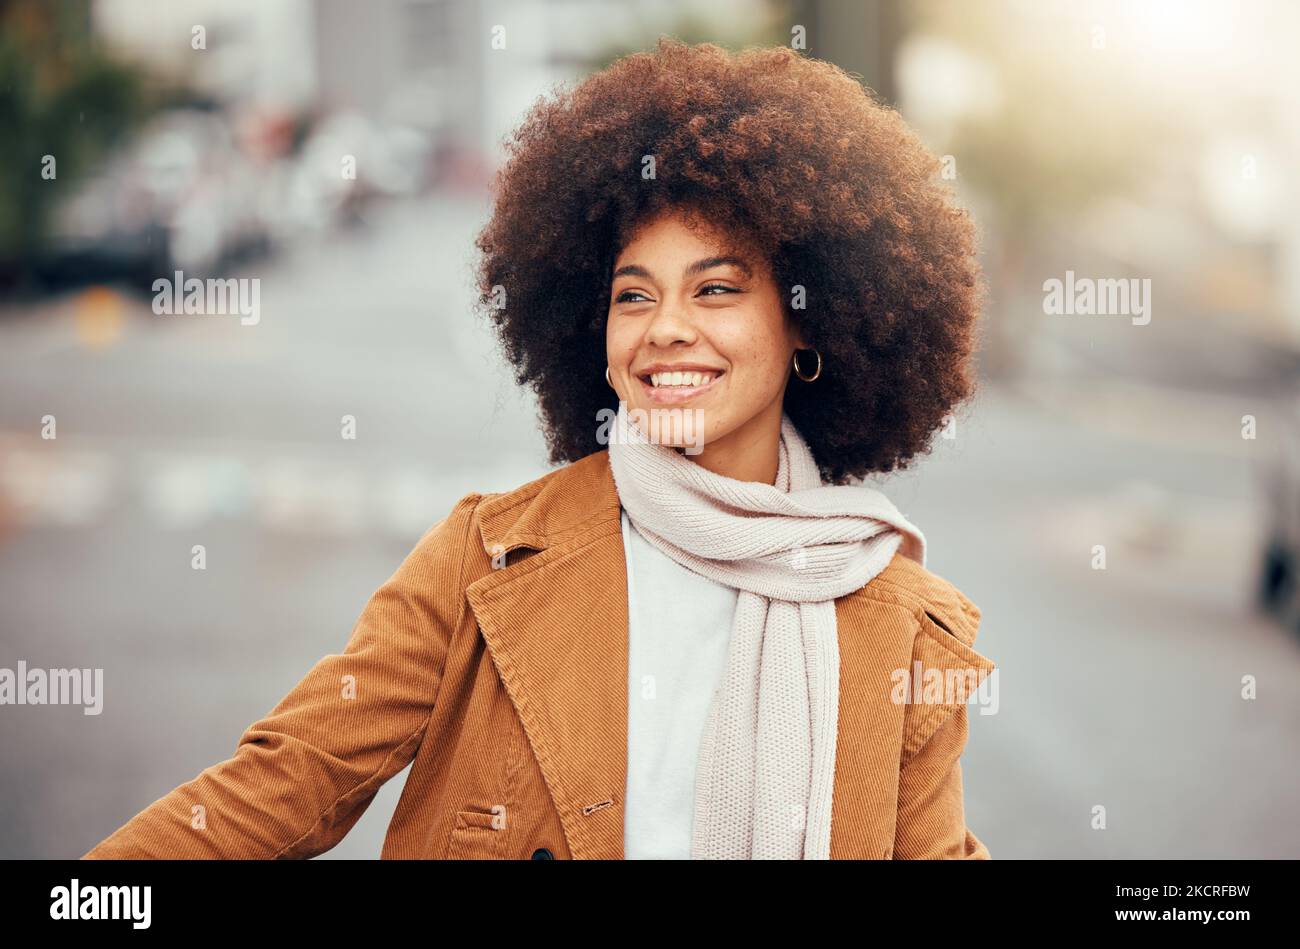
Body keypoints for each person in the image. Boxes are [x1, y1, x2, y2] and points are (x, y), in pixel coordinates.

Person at [83, 37, 994, 861]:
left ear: (809, 321)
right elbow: (282, 785)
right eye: (633, 296)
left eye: (716, 290)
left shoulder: (903, 626)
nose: (666, 329)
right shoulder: (480, 559)